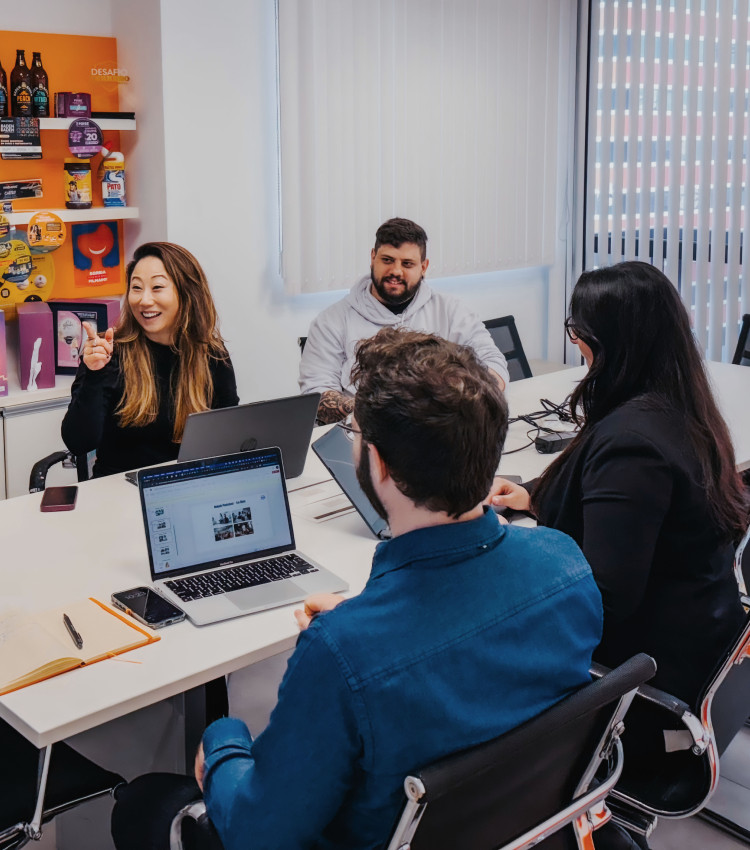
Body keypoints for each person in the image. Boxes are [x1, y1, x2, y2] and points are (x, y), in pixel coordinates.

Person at [111, 327, 602, 850]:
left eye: (353, 431)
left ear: (381, 464)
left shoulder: (341, 652)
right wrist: (362, 623)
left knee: (145, 804)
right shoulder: (565, 562)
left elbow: (259, 834)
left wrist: (224, 739)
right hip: (524, 830)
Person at [492, 261, 748, 711]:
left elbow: (604, 601)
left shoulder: (632, 445)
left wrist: (506, 570)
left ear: (608, 341)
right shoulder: (678, 406)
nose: (575, 345)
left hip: (648, 680)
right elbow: (611, 492)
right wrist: (537, 495)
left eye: (577, 331)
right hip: (702, 641)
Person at [299, 217, 510, 423]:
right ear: (373, 258)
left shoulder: (451, 310)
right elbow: (316, 395)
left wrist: (457, 404)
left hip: (440, 431)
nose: (396, 271)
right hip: (361, 437)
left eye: (407, 263)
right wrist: (387, 416)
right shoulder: (331, 321)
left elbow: (492, 361)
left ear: (424, 267)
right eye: (387, 260)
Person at [61, 241, 239, 477]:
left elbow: (229, 432)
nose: (144, 300)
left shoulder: (211, 353)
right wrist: (94, 374)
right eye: (136, 288)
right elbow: (78, 442)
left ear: (187, 293)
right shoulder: (107, 352)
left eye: (156, 287)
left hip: (189, 485)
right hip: (120, 492)